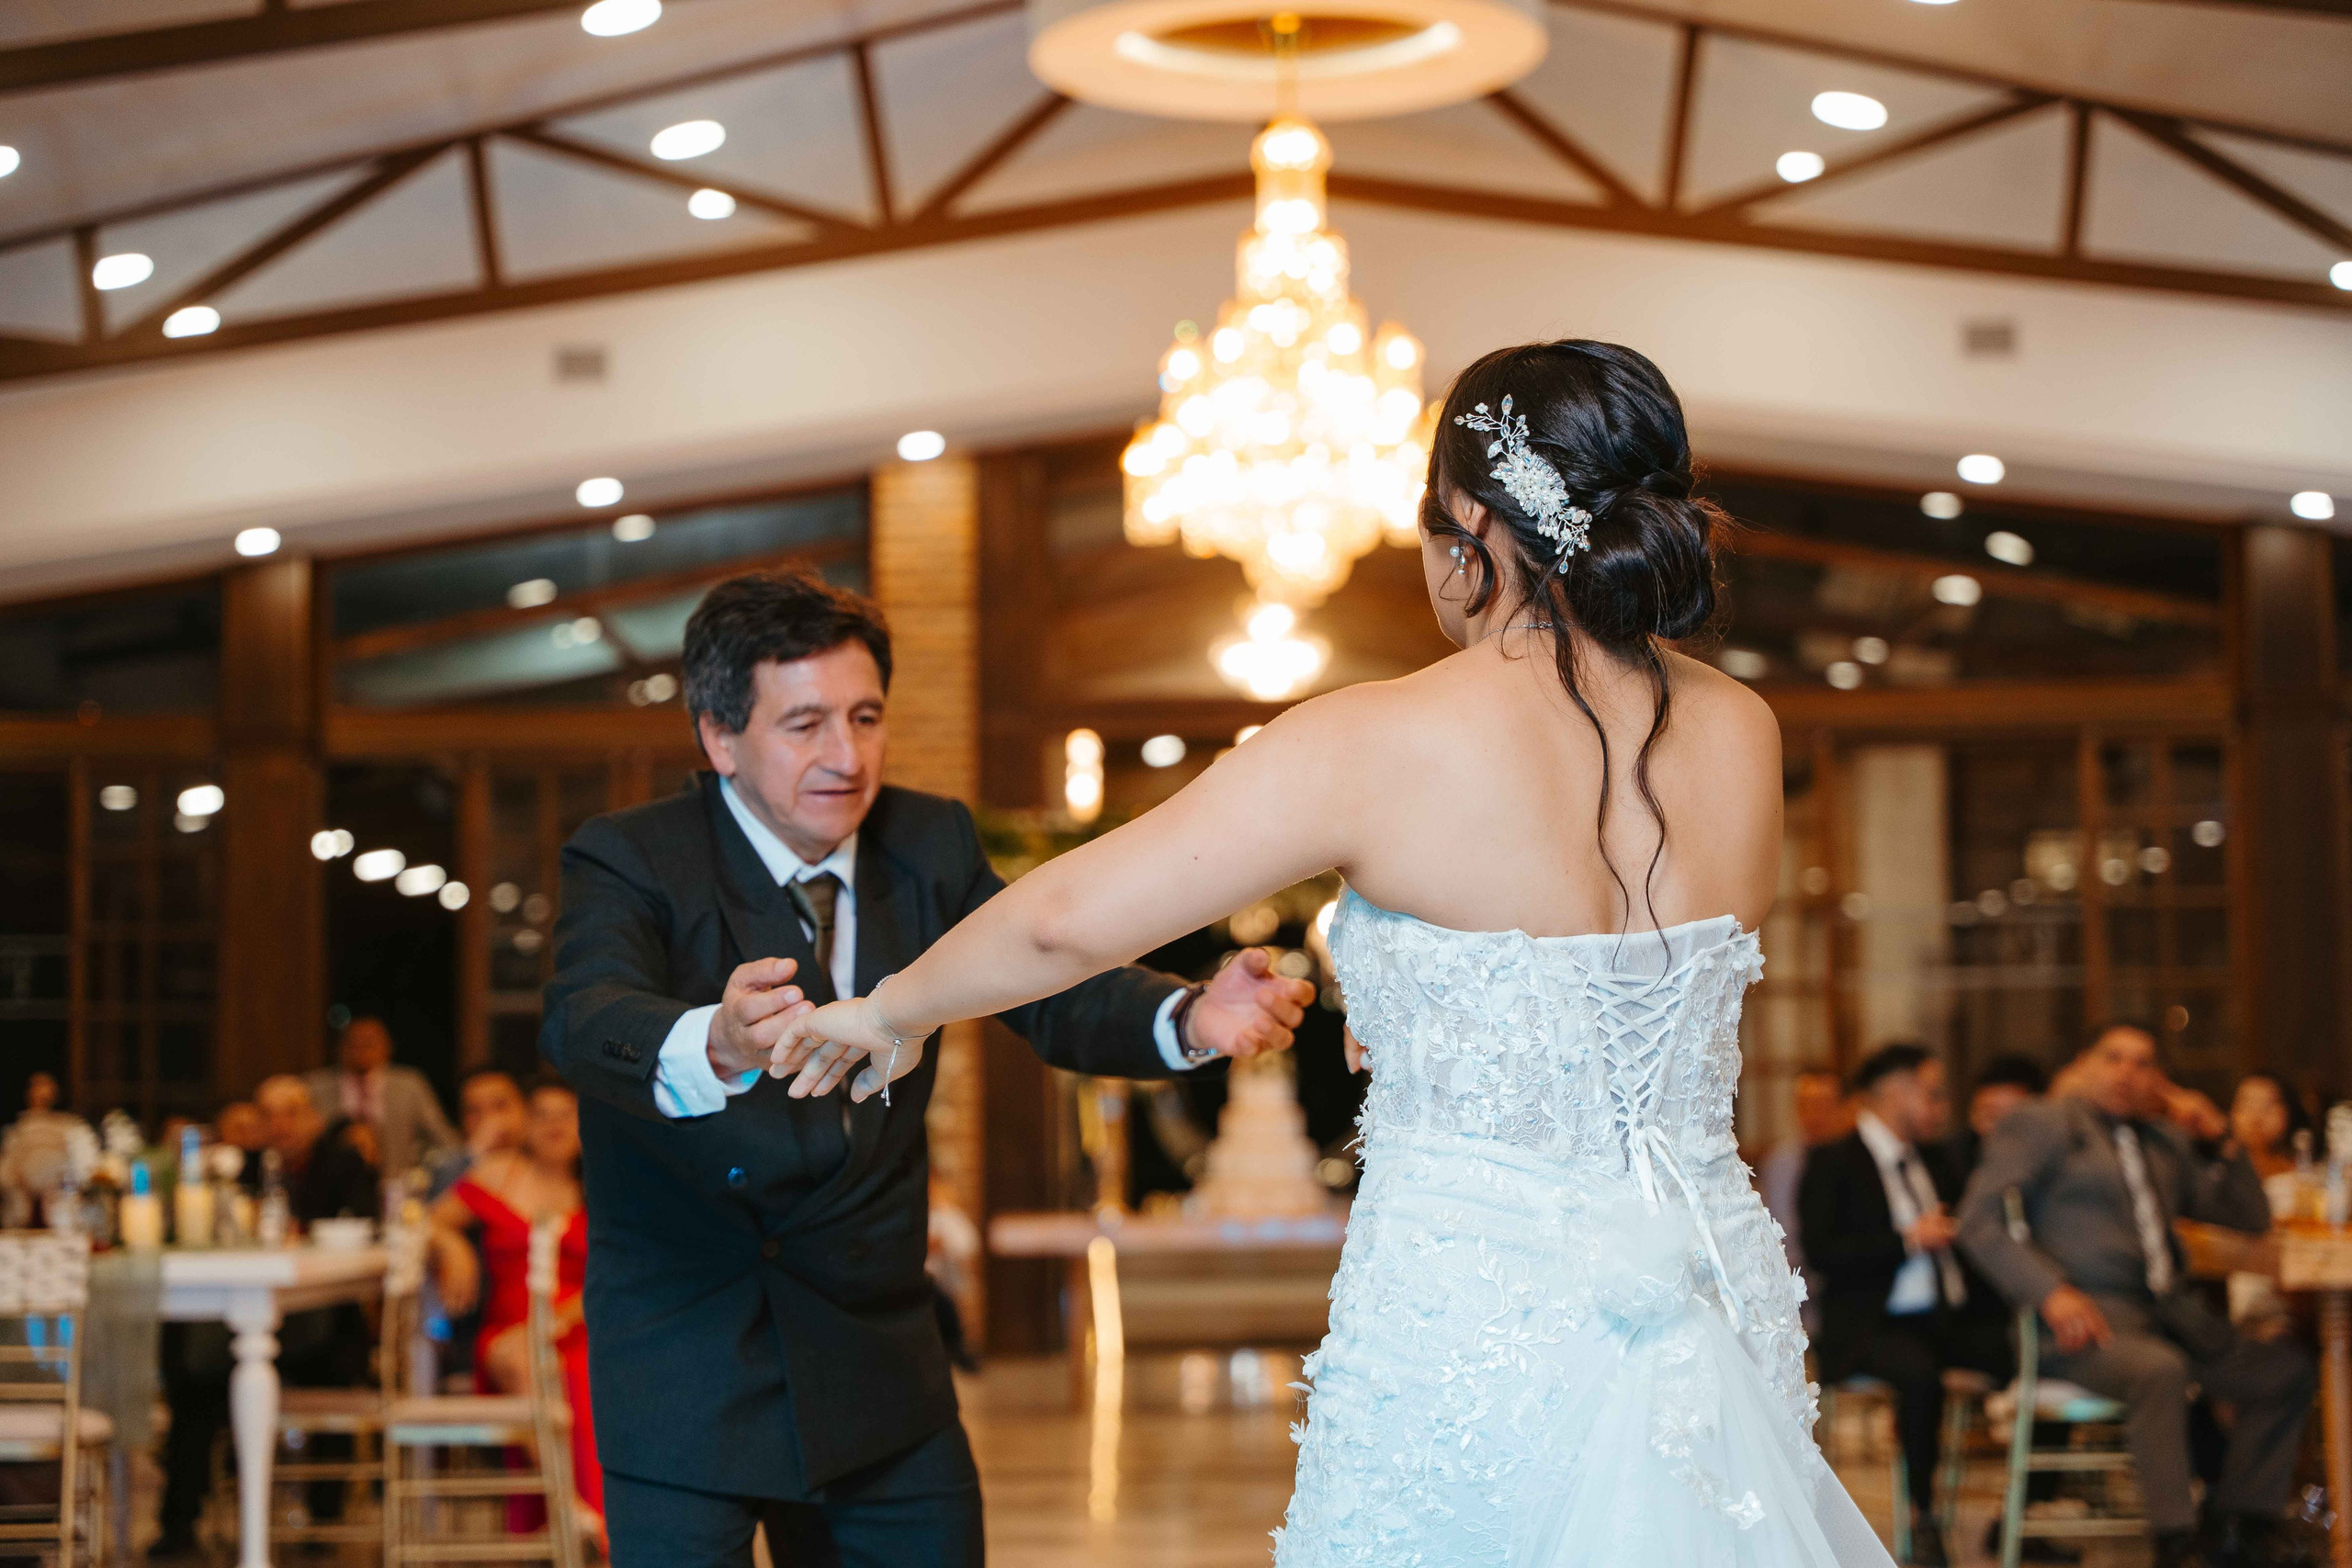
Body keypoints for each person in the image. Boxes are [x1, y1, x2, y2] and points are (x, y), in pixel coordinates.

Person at [774, 341, 1894, 1565]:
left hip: (1476, 1293)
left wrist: (891, 1006)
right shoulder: (1743, 728)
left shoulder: (1383, 735)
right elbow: (1634, 991)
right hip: (1706, 1281)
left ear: (1469, 522)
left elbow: (1066, 920)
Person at [540, 566, 1314, 1568]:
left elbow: (1044, 981)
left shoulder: (928, 842)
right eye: (805, 723)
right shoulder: (630, 858)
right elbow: (583, 1017)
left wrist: (1192, 1016)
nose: (846, 755)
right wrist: (719, 1041)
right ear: (718, 736)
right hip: (686, 1365)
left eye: (865, 717)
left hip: (876, 1364)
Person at [1958, 1024, 2314, 1568]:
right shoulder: (2044, 1123)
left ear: (2159, 1080)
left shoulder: (2163, 1141)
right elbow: (1978, 1222)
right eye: (2114, 1058)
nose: (2128, 1073)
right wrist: (2050, 1293)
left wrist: (2220, 1136)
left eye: (2143, 1063)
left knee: (2286, 1370)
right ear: (2084, 1064)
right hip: (2082, 1326)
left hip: (2172, 1320)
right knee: (2161, 1369)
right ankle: (2176, 1542)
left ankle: (2239, 1525)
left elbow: (2250, 1217)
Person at [1800, 1044, 2007, 1566]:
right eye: (1932, 1094)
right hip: (1869, 1325)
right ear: (1896, 1092)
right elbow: (1823, 1256)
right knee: (1919, 1374)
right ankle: (1924, 1515)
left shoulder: (1937, 1160)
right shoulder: (1832, 1161)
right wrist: (1909, 1239)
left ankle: (2024, 1511)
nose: (1941, 1108)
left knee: (2024, 1349)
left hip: (1942, 1318)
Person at [426, 1078, 603, 1545]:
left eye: (568, 1114)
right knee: (514, 1356)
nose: (555, 1125)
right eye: (542, 1114)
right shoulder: (498, 1173)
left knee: (573, 1371)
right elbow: (426, 1219)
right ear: (525, 1122)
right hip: (507, 1329)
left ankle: (583, 1520)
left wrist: (556, 1323)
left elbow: (621, 1274)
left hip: (580, 1325)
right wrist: (449, 1243)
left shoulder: (601, 1187)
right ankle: (574, 1513)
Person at [305, 1015, 459, 1179]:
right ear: (339, 1047)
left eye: (369, 1043)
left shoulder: (409, 1085)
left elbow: (443, 1138)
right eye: (353, 1043)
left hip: (396, 1183)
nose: (361, 1050)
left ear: (387, 1047)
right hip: (331, 1186)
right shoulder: (314, 1086)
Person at [1759, 1066, 1850, 1331]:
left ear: (1844, 1107)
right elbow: (1779, 1234)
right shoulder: (1782, 1163)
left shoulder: (1859, 1160)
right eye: (1806, 1105)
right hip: (1799, 1289)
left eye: (1824, 1105)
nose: (1815, 1116)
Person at [2226, 1070, 2312, 1333]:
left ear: (2289, 1113)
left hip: (2291, 1309)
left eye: (2269, 1105)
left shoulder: (2304, 1180)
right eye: (2247, 1103)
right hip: (2234, 1310)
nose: (2256, 1115)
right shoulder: (2217, 1175)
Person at [0, 1072, 96, 1229]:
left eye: (46, 1087)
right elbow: (7, 1167)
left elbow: (82, 1165)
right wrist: (18, 1182)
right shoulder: (17, 1130)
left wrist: (61, 1183)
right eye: (36, 1087)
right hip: (23, 1204)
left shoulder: (67, 1126)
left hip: (60, 1201)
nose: (41, 1093)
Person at [430, 1067, 530, 1196]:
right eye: (474, 1111)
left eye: (500, 1105)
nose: (489, 1120)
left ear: (526, 1108)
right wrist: (474, 1151)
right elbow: (432, 1205)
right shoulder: (454, 1166)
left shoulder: (546, 1159)